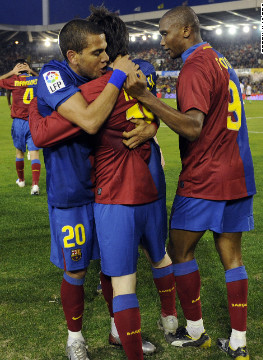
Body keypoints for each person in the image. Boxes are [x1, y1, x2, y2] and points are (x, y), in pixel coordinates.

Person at [29, 8, 178, 359]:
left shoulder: (105, 74)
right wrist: (115, 82)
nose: (105, 57)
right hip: (72, 192)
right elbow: (89, 121)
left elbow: (134, 110)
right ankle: (74, 337)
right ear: (73, 55)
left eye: (106, 50)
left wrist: (152, 128)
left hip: (106, 188)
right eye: (97, 52)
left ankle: (118, 329)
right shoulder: (54, 74)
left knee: (115, 265)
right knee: (77, 267)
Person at [124, 6, 256, 360]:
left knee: (179, 249)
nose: (161, 41)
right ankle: (239, 342)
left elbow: (194, 127)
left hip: (205, 177)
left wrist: (146, 98)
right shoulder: (220, 60)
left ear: (184, 30)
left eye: (165, 33)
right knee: (233, 258)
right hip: (237, 174)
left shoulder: (194, 65)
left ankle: (195, 331)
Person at [0, 59, 41, 195]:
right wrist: (32, 71)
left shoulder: (13, 80)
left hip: (19, 122)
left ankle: (21, 180)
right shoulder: (36, 80)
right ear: (27, 68)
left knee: (19, 153)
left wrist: (12, 72)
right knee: (34, 153)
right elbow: (45, 79)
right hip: (34, 121)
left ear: (17, 68)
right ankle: (35, 186)